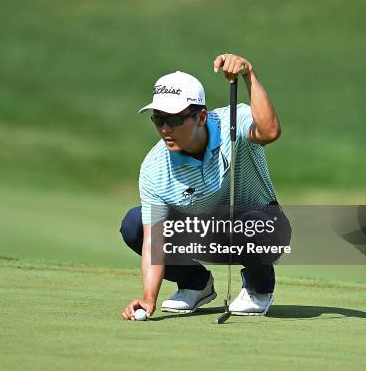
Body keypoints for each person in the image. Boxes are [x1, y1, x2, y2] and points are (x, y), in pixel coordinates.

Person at [120, 53, 288, 320]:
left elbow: (269, 132)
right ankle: (196, 285)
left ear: (201, 116)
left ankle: (259, 290)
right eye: (158, 119)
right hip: (204, 235)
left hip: (260, 228)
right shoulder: (154, 167)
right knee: (134, 224)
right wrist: (148, 297)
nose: (165, 128)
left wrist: (248, 74)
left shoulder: (233, 122)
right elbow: (154, 240)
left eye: (174, 120)